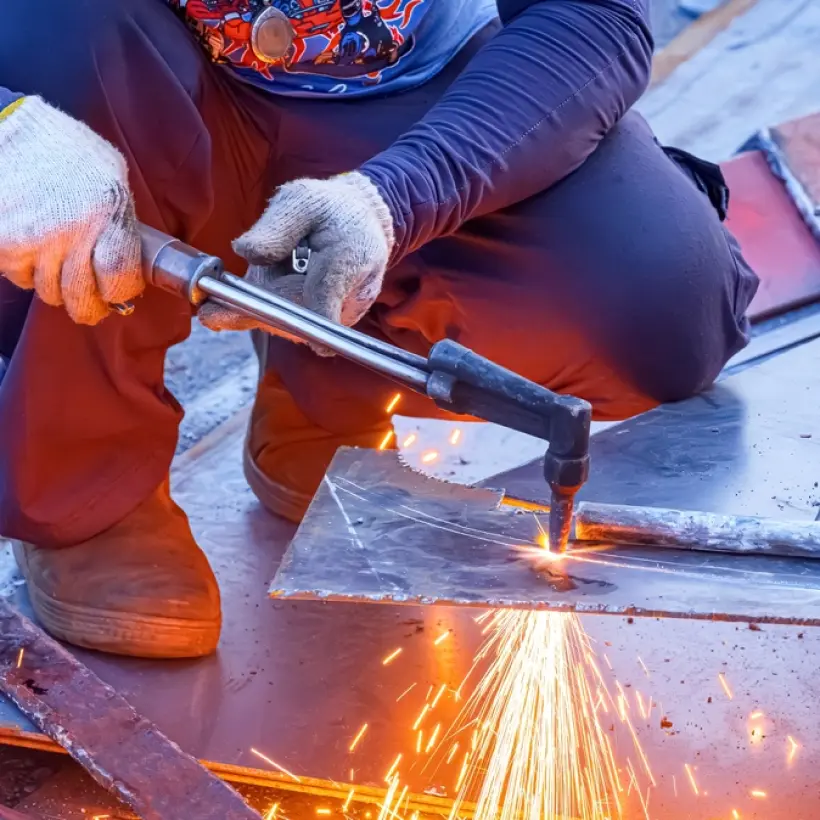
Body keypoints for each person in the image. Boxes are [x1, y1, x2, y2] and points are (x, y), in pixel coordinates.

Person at [0, 0, 758, 660]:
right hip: (107, 80)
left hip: (395, 92)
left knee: (659, 306)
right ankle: (86, 481)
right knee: (57, 37)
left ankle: (325, 376)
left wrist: (391, 203)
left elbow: (593, 15)